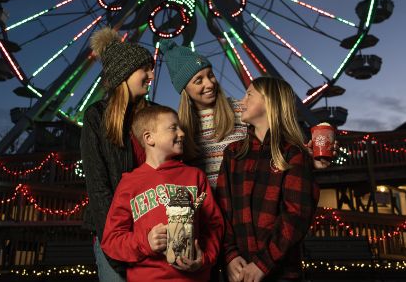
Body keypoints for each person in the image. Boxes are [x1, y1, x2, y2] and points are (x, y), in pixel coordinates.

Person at [159, 40, 330, 190]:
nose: (209, 83)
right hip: (207, 210)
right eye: (198, 80)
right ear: (184, 90)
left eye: (210, 75)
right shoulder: (180, 127)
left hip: (243, 201)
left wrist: (308, 159)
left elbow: (272, 143)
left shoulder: (241, 110)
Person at [100, 105, 224, 282]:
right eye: (173, 128)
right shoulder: (129, 183)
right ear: (149, 138)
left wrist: (204, 258)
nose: (182, 133)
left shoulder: (195, 176)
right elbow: (111, 240)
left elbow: (214, 225)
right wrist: (146, 242)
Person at [216, 77, 320, 282]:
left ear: (269, 101)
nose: (241, 101)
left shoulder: (293, 153)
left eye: (249, 94)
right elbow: (222, 210)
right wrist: (230, 255)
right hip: (238, 270)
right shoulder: (233, 153)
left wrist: (264, 263)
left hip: (281, 273)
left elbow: (296, 215)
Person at [80, 27, 154, 281]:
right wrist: (115, 246)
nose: (152, 75)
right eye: (145, 68)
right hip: (114, 236)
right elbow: (98, 187)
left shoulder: (156, 115)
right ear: (125, 72)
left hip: (154, 234)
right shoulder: (96, 117)